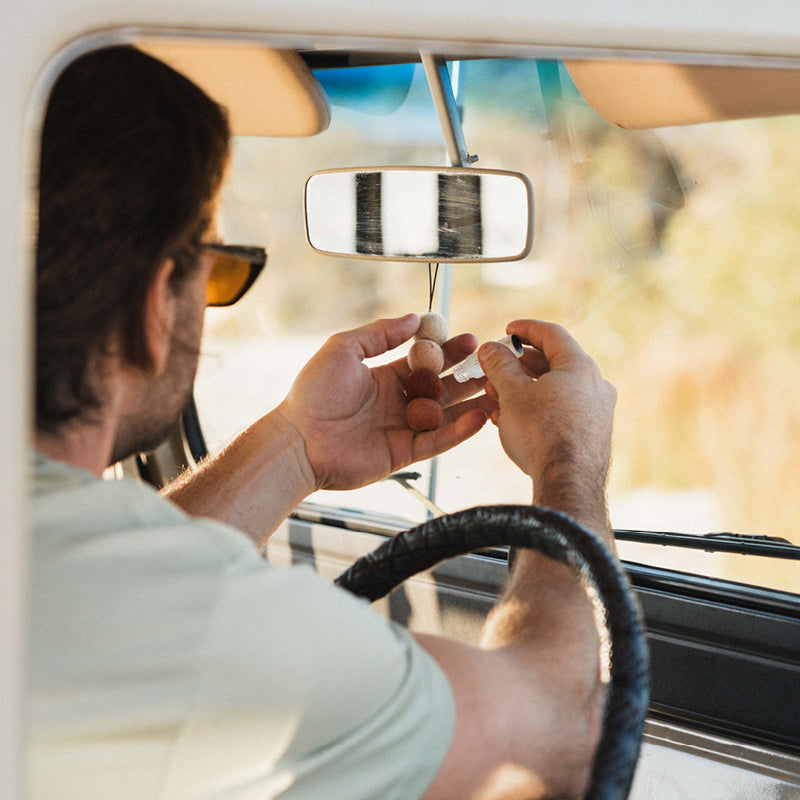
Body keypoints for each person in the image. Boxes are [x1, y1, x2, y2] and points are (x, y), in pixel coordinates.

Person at [30, 45, 618, 800]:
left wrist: (299, 445)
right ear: (155, 304)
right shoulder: (199, 631)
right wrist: (570, 460)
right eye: (214, 269)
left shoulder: (62, 564)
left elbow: (108, 591)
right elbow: (563, 732)